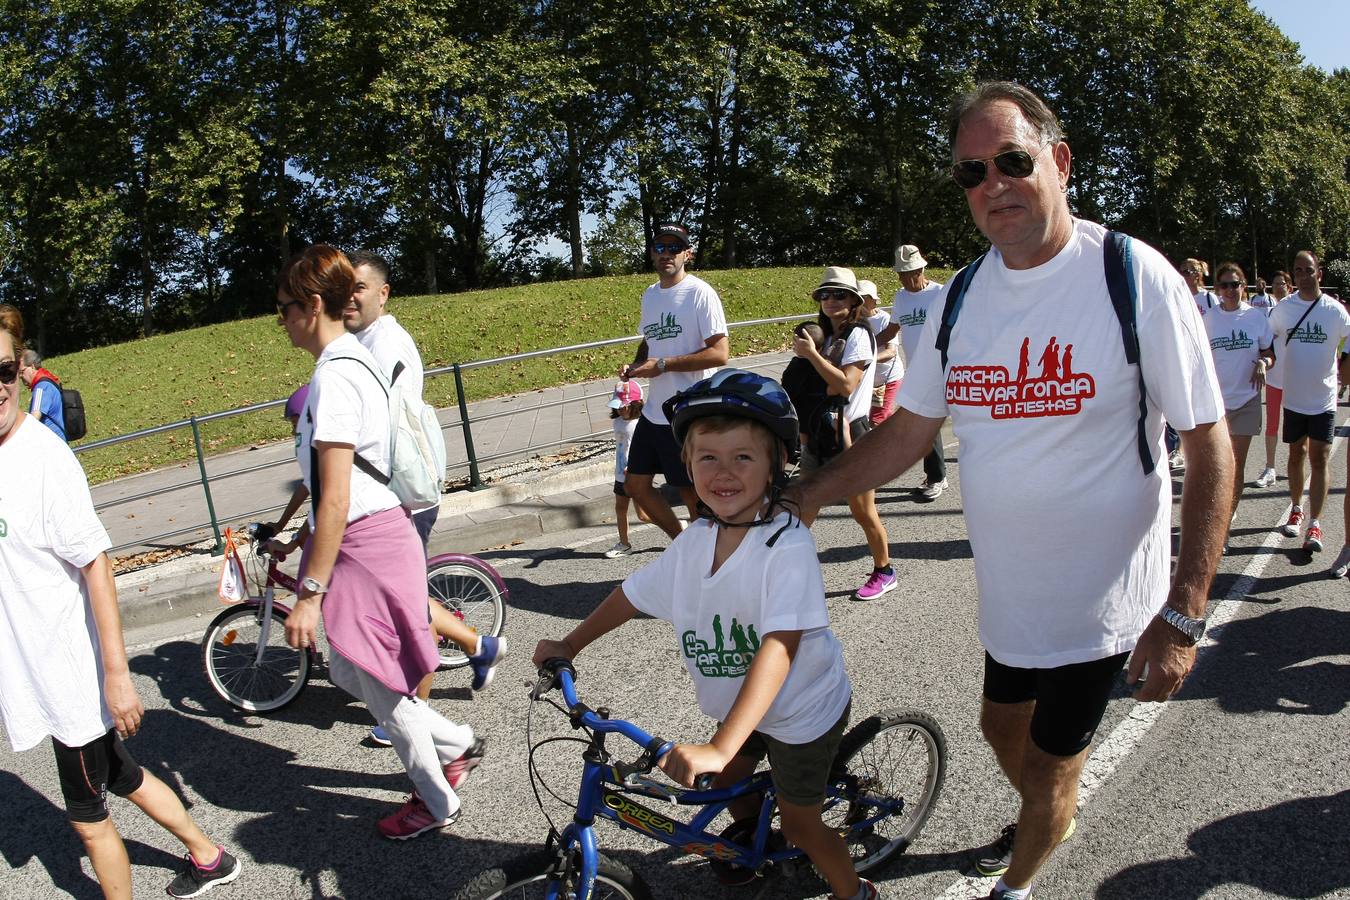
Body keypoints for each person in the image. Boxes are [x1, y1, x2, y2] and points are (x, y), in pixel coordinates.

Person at [785, 82, 1230, 900]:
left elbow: (1209, 442)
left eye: (1012, 161)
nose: (991, 184)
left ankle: (1019, 884)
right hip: (1013, 599)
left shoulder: (1131, 277)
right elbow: (909, 434)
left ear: (1058, 163)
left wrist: (1185, 608)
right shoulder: (962, 297)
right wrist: (809, 495)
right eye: (971, 172)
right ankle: (1045, 815)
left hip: (1101, 603)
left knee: (1055, 765)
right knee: (1001, 728)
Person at [532, 369, 877, 900]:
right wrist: (569, 644)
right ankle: (751, 834)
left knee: (803, 825)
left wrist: (719, 745)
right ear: (688, 466)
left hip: (801, 710)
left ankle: (855, 892)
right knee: (731, 788)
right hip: (742, 702)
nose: (724, 472)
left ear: (775, 466)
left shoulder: (785, 548)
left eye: (743, 457)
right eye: (707, 457)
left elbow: (780, 646)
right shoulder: (696, 539)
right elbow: (634, 593)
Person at [0, 313, 242, 898]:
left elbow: (96, 564)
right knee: (124, 774)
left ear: (21, 370)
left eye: (2, 369)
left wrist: (117, 677)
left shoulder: (41, 459)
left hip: (69, 680)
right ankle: (209, 856)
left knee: (87, 819)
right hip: (41, 670)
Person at [275, 244, 483, 840]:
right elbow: (327, 490)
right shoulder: (349, 364)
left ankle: (436, 799)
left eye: (285, 308)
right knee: (347, 671)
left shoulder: (337, 376)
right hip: (368, 536)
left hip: (365, 540)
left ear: (313, 306)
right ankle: (459, 740)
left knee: (383, 689)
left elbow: (336, 496)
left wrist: (309, 594)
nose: (282, 321)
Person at [620, 222, 729, 542]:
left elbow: (720, 353)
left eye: (674, 248)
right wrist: (639, 363)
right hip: (655, 410)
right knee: (635, 485)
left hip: (689, 410)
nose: (666, 254)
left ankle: (708, 560)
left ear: (687, 254)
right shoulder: (651, 295)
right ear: (652, 253)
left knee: (691, 495)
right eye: (660, 248)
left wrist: (663, 365)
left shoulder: (700, 293)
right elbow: (650, 340)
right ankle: (683, 542)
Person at [793, 267, 895, 601]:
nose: (831, 300)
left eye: (839, 294)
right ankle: (787, 570)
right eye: (825, 294)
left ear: (854, 300)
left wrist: (810, 356)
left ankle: (885, 571)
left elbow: (846, 385)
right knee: (805, 504)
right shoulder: (824, 336)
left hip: (851, 434)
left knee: (863, 512)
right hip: (820, 431)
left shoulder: (859, 335)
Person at [1268, 250, 1350, 553]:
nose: (1303, 275)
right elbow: (1265, 341)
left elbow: (1349, 342)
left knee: (1320, 458)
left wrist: (1344, 373)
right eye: (1298, 270)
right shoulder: (1283, 310)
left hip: (1324, 399)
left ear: (1320, 273)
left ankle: (1315, 523)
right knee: (1295, 455)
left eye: (1308, 270)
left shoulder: (1335, 311)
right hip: (1294, 398)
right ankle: (1296, 508)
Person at [1204, 262, 1274, 551]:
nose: (1230, 291)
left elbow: (1269, 352)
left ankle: (1225, 524)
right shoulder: (1208, 319)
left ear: (1244, 286)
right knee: (1216, 465)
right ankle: (1214, 517)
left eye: (1235, 284)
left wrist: (1263, 362)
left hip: (1247, 399)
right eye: (1224, 285)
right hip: (1217, 403)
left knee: (1236, 465)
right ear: (1217, 289)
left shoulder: (1256, 317)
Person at [888, 244, 948, 499]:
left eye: (911, 272)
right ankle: (937, 477)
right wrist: (863, 343)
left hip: (946, 367)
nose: (907, 278)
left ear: (922, 268)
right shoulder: (901, 298)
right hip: (917, 370)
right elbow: (891, 331)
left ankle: (943, 474)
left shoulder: (940, 293)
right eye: (902, 274)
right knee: (925, 423)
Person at [1254, 270, 1293, 488]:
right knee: (1272, 424)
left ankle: (1295, 465)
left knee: (1295, 425)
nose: (1278, 287)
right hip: (1274, 378)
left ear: (1289, 286)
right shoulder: (1269, 311)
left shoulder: (1295, 309)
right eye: (1275, 284)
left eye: (1282, 284)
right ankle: (1270, 468)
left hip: (1294, 379)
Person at [605, 379, 650, 558]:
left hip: (636, 474)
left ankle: (676, 526)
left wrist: (635, 467)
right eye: (619, 406)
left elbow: (643, 450)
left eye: (625, 406)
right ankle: (624, 544)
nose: (621, 410)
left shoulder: (641, 425)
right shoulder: (617, 423)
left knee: (643, 515)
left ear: (636, 404)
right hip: (620, 474)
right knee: (620, 508)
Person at [860, 279, 903, 425]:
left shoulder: (884, 319)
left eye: (864, 298)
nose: (860, 302)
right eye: (857, 298)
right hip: (867, 380)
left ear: (873, 300)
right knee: (872, 419)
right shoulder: (855, 320)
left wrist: (867, 359)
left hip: (888, 378)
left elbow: (891, 352)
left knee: (876, 421)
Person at [18, 348, 65, 440]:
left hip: (51, 442)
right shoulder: (48, 382)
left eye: (22, 372)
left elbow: (35, 418)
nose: (20, 376)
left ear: (32, 367)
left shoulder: (41, 387)